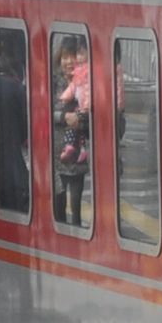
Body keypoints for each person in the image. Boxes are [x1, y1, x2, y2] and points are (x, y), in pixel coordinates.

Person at [51, 36, 93, 230]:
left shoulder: (86, 83)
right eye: (65, 57)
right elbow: (41, 112)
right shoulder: (53, 83)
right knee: (57, 208)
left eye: (73, 57)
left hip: (77, 157)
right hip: (56, 157)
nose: (69, 62)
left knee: (76, 210)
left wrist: (81, 120)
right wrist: (62, 117)